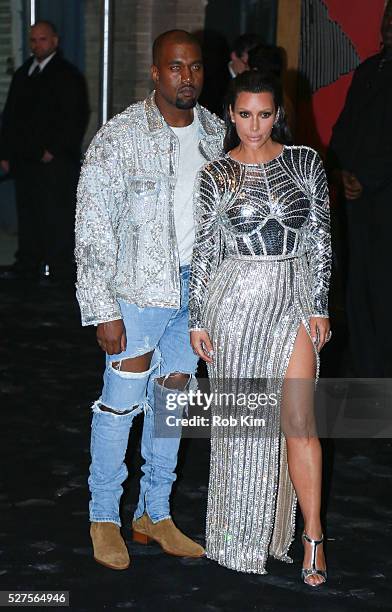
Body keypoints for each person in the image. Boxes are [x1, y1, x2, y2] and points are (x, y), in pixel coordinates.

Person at [75, 30, 224, 570]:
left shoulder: (216, 131)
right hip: (136, 294)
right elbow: (92, 229)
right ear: (156, 73)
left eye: (196, 67)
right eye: (176, 67)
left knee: (171, 403)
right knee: (119, 406)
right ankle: (103, 517)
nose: (188, 77)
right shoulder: (120, 137)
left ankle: (154, 513)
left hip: (195, 295)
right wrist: (102, 308)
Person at [189, 71, 331, 585]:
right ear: (230, 113)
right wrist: (198, 319)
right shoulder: (216, 175)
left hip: (292, 296)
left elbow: (319, 239)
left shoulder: (305, 163)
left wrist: (319, 305)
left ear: (278, 115)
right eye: (245, 114)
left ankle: (312, 536)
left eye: (264, 114)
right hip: (236, 307)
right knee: (243, 428)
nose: (254, 125)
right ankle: (234, 536)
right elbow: (205, 251)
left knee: (299, 423)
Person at [328, 0, 392, 377]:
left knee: (391, 301)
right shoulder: (369, 69)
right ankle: (365, 389)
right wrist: (338, 170)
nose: (391, 22)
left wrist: (367, 177)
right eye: (389, 14)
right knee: (357, 298)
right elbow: (343, 130)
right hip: (356, 209)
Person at [0, 20, 89, 281]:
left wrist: (53, 150)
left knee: (56, 215)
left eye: (42, 39)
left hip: (55, 162)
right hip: (24, 160)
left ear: (55, 41)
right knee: (28, 213)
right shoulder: (24, 73)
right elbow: (10, 117)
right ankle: (27, 263)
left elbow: (74, 117)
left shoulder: (67, 75)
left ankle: (60, 268)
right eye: (33, 40)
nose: (37, 45)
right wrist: (5, 153)